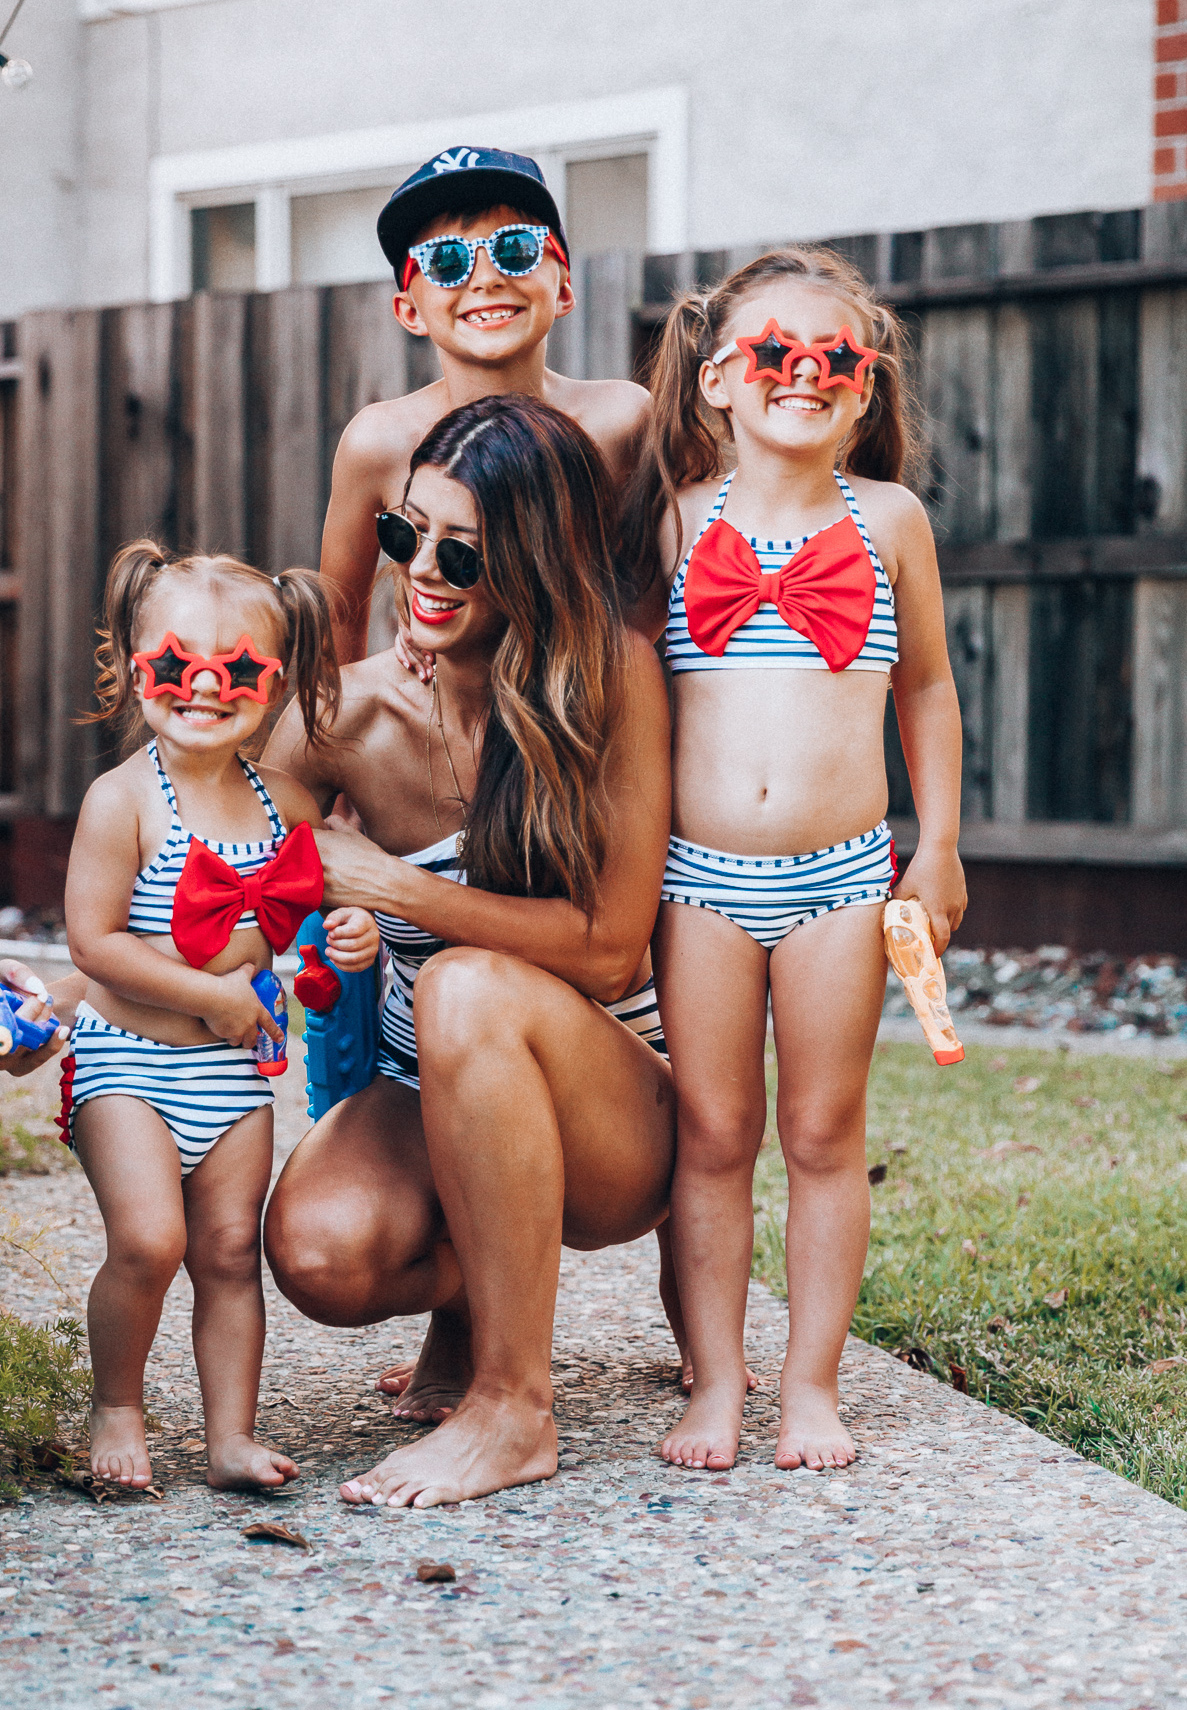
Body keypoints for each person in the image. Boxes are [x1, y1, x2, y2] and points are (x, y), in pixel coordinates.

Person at [263, 394, 675, 1508]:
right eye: (405, 537)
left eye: (464, 552)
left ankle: (513, 1404)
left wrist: (393, 887)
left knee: (458, 986)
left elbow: (607, 948)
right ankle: (475, 1290)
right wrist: (74, 988)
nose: (422, 571)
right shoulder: (347, 713)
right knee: (318, 1249)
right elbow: (204, 850)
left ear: (535, 561)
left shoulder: (611, 678)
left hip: (615, 1119)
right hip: (422, 1094)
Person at [622, 246, 966, 1474]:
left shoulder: (886, 522)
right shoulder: (669, 519)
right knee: (710, 1135)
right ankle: (716, 1379)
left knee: (822, 1131)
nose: (803, 372)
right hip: (697, 881)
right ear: (718, 376)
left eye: (834, 357)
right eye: (774, 352)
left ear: (863, 387)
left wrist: (939, 843)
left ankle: (810, 1385)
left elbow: (924, 686)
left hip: (839, 875)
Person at [0, 544, 378, 1494]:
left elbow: (313, 913)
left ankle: (229, 1436)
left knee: (230, 1254)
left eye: (237, 669)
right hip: (128, 1062)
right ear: (129, 665)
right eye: (175, 663)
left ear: (275, 683)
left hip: (231, 1081)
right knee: (151, 1241)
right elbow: (95, 944)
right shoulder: (119, 803)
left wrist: (350, 933)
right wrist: (214, 997)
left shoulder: (284, 803)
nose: (204, 686)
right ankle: (116, 1404)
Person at [320, 147, 650, 666]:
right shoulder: (378, 442)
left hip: (587, 716)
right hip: (439, 727)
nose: (485, 278)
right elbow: (338, 617)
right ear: (410, 310)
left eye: (515, 249)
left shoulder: (623, 420)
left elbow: (664, 594)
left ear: (564, 288)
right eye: (446, 262)